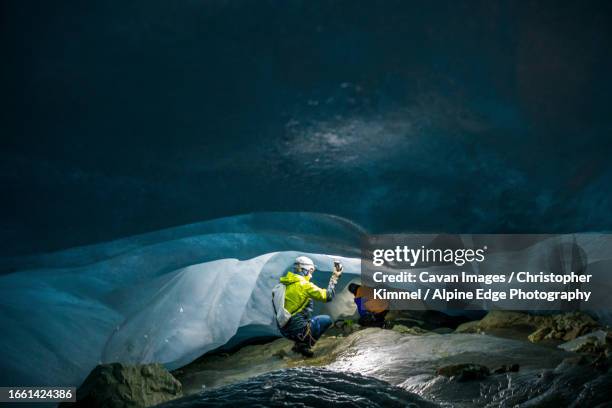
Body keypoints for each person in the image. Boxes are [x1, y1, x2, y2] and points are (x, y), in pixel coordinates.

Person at [278, 256, 343, 357]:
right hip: (298, 332)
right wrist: (335, 277)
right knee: (326, 320)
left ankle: (299, 342)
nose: (311, 275)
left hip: (284, 331)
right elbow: (328, 296)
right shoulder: (304, 285)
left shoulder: (281, 285)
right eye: (311, 271)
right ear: (306, 270)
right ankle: (304, 345)